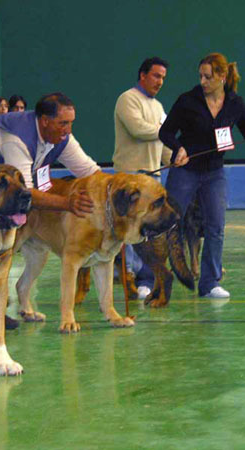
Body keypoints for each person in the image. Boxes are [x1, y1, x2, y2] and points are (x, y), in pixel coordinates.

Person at [0, 92, 99, 329]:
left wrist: (116, 187)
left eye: (71, 123)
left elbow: (90, 171)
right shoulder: (15, 137)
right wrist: (67, 203)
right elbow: (25, 193)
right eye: (63, 123)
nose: (68, 129)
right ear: (45, 121)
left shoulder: (62, 138)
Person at [159, 52, 245, 299]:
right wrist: (178, 149)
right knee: (166, 222)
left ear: (222, 77)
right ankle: (152, 279)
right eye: (200, 76)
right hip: (185, 171)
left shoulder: (235, 104)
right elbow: (165, 132)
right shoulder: (187, 101)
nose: (202, 81)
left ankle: (209, 283)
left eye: (208, 77)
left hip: (214, 173)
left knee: (216, 226)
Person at [112, 56, 172, 299]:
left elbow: (163, 139)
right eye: (156, 76)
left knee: (148, 232)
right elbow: (138, 130)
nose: (160, 82)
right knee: (129, 232)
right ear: (143, 75)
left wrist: (175, 156)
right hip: (130, 178)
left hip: (153, 179)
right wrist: (167, 132)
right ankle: (128, 275)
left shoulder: (158, 107)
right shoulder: (127, 99)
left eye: (163, 78)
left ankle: (145, 279)